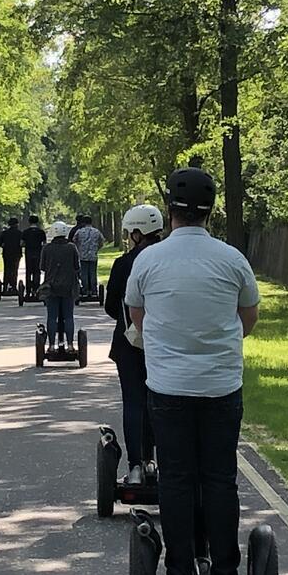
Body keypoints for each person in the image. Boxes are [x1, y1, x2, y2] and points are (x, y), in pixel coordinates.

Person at [124, 168, 260, 575]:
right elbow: (248, 320)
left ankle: (179, 574)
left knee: (177, 479)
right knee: (219, 478)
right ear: (211, 210)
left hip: (167, 388)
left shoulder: (148, 259)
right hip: (221, 387)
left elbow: (137, 318)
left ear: (170, 211)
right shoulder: (233, 259)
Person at [104, 204, 164, 486]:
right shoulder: (167, 260)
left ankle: (136, 466)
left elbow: (111, 306)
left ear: (138, 234)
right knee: (157, 400)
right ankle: (153, 461)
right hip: (161, 342)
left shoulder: (124, 264)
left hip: (129, 342)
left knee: (134, 401)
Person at [39, 220, 80, 349]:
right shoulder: (71, 247)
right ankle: (70, 345)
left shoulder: (47, 248)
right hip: (68, 287)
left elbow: (43, 267)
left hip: (51, 287)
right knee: (68, 316)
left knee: (52, 317)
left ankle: (51, 345)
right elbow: (77, 266)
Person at [71, 213, 105, 295]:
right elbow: (102, 241)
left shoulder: (79, 232)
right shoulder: (96, 232)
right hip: (93, 255)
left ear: (83, 223)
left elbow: (74, 241)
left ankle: (85, 289)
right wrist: (97, 249)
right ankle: (93, 289)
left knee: (84, 273)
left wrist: (78, 249)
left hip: (82, 256)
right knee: (93, 272)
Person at [0, 216, 24, 292]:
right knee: (15, 270)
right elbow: (22, 243)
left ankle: (5, 286)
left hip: (7, 253)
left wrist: (4, 246)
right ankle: (13, 286)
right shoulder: (20, 233)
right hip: (16, 254)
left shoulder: (4, 233)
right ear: (17, 224)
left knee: (7, 269)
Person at [21, 215, 46, 292]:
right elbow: (44, 243)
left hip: (29, 253)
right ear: (37, 222)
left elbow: (21, 243)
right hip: (38, 253)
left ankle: (28, 289)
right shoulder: (41, 232)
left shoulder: (25, 232)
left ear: (29, 222)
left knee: (29, 271)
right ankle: (36, 288)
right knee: (37, 271)